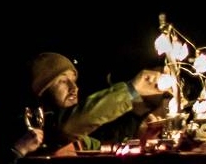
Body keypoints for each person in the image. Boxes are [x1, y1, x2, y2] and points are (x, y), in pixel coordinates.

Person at [22, 50, 164, 153]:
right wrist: (131, 90)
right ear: (42, 90)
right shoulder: (38, 130)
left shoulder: (81, 138)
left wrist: (143, 139)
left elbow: (107, 149)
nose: (74, 88)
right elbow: (69, 126)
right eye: (62, 81)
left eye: (74, 81)